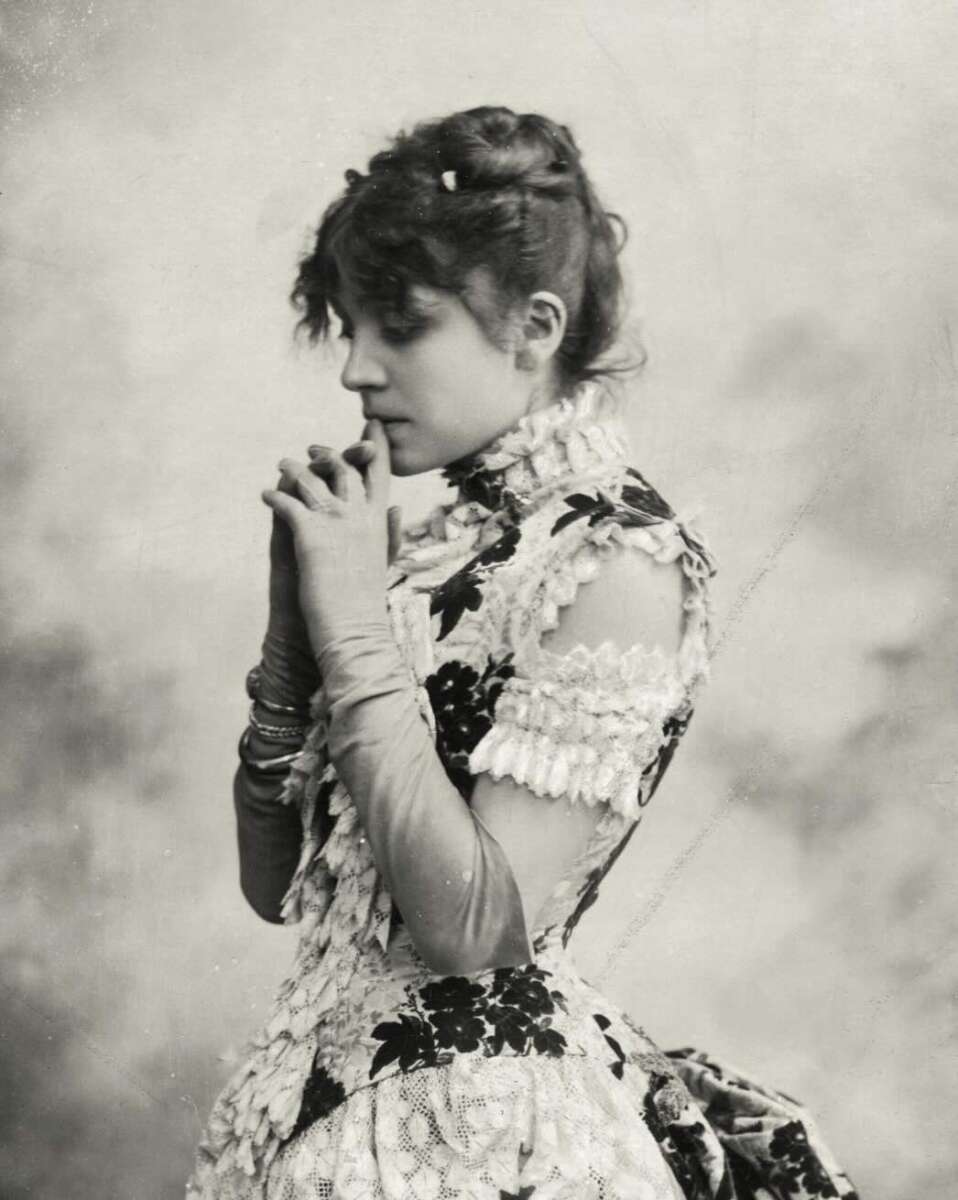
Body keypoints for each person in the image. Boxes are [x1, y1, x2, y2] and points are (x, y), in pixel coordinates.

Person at [189, 106, 859, 1200]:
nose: (356, 369)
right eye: (349, 328)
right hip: (325, 1106)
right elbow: (276, 890)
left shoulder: (615, 560)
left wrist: (353, 627)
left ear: (534, 326)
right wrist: (293, 633)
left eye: (398, 327)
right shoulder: (435, 552)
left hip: (482, 1132)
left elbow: (472, 934)